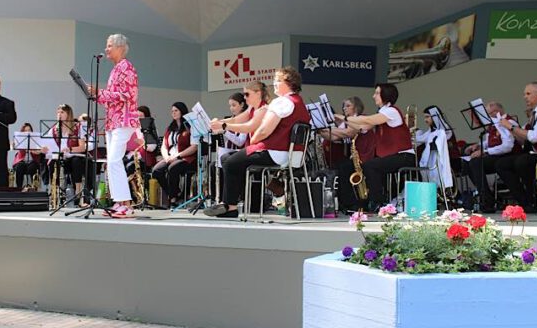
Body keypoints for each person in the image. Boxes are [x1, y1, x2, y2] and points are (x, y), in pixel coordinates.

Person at [205, 67, 311, 218]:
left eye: (278, 80)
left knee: (230, 162)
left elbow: (263, 131)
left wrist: (254, 140)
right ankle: (230, 203)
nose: (274, 83)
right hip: (293, 155)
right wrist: (222, 123)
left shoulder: (282, 102)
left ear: (289, 83)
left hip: (276, 153)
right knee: (229, 160)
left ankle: (231, 206)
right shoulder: (299, 103)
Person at [88, 34, 141, 218]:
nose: (106, 49)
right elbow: (112, 98)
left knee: (114, 161)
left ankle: (126, 204)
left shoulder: (126, 67)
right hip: (114, 121)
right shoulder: (116, 69)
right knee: (112, 162)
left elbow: (126, 94)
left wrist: (101, 92)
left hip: (124, 120)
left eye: (109, 46)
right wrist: (97, 95)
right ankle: (120, 203)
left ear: (120, 48)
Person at [341, 83, 415, 208]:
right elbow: (363, 128)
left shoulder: (391, 111)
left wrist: (343, 118)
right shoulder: (383, 112)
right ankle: (373, 200)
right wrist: (343, 120)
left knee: (371, 166)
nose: (373, 96)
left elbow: (368, 120)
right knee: (370, 165)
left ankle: (377, 202)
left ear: (385, 95)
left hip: (404, 155)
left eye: (376, 93)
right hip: (394, 155)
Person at [495, 82, 537, 212]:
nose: (525, 97)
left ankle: (535, 198)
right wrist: (508, 130)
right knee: (501, 164)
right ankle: (525, 201)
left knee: (522, 162)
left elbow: (535, 137)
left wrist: (511, 127)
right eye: (524, 94)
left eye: (528, 93)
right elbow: (523, 141)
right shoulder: (534, 114)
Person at [320, 97, 376, 212]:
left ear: (356, 107)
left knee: (344, 167)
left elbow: (348, 133)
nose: (344, 108)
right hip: (355, 156)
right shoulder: (347, 122)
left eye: (348, 106)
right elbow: (334, 136)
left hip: (364, 155)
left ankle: (353, 203)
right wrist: (320, 131)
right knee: (339, 166)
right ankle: (344, 202)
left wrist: (326, 129)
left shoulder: (359, 119)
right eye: (344, 106)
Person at [463, 101, 519, 212]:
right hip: (496, 155)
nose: (486, 118)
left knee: (476, 162)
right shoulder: (494, 125)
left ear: (495, 112)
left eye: (487, 114)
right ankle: (486, 195)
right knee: (467, 163)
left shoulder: (508, 122)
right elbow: (490, 141)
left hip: (508, 156)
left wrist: (485, 152)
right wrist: (478, 145)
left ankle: (487, 200)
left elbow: (507, 146)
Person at [151, 102, 197, 208]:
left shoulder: (189, 126)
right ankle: (174, 194)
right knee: (156, 171)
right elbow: (163, 145)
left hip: (185, 157)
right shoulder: (170, 127)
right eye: (172, 111)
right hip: (170, 156)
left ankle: (173, 199)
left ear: (182, 111)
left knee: (173, 168)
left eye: (176, 110)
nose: (173, 113)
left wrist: (178, 156)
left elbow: (194, 147)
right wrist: (166, 157)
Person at [44, 104, 87, 205]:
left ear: (68, 114)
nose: (59, 114)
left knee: (76, 162)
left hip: (73, 156)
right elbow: (46, 143)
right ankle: (55, 191)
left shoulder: (77, 127)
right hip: (60, 157)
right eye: (58, 112)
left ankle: (78, 193)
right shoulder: (54, 129)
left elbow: (82, 147)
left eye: (62, 112)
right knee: (52, 163)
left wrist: (70, 149)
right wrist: (44, 149)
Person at [11, 122, 42, 188]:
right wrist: (13, 144)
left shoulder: (35, 139)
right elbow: (12, 147)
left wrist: (31, 150)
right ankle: (19, 188)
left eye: (29, 130)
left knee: (32, 168)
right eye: (25, 131)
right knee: (19, 167)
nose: (28, 132)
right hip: (21, 161)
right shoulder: (20, 139)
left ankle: (34, 189)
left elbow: (39, 152)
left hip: (32, 161)